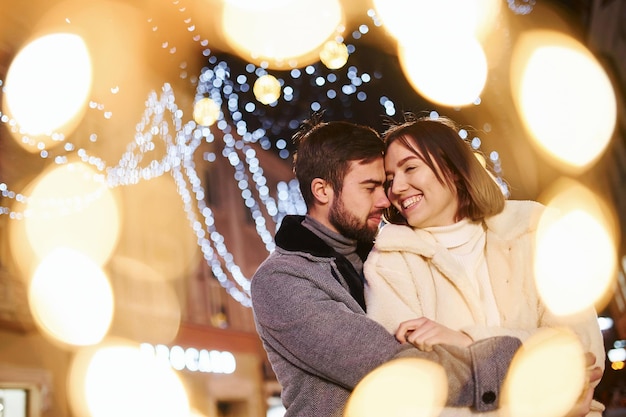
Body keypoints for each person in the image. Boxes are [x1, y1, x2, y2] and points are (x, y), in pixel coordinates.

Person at [250, 112, 524, 417]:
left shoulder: (387, 254)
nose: (386, 199)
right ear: (322, 190)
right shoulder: (282, 280)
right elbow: (389, 368)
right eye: (370, 188)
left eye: (385, 184)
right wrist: (519, 370)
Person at [363, 112, 606, 416]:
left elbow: (583, 351)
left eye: (410, 168)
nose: (396, 188)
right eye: (389, 180)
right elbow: (409, 390)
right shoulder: (390, 262)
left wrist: (464, 340)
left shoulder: (534, 230)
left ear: (452, 168)